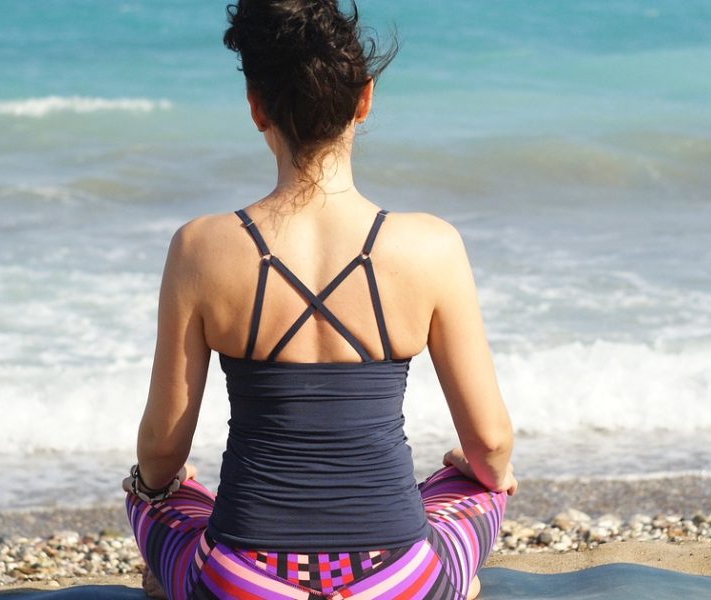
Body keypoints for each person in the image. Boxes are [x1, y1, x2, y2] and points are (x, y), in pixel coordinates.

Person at [123, 1, 516, 598]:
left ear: (257, 108)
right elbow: (490, 444)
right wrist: (481, 471)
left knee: (156, 498)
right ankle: (452, 583)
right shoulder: (431, 245)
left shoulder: (200, 247)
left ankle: (173, 578)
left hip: (242, 582)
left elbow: (160, 450)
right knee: (480, 487)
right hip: (398, 582)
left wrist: (156, 485)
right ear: (365, 99)